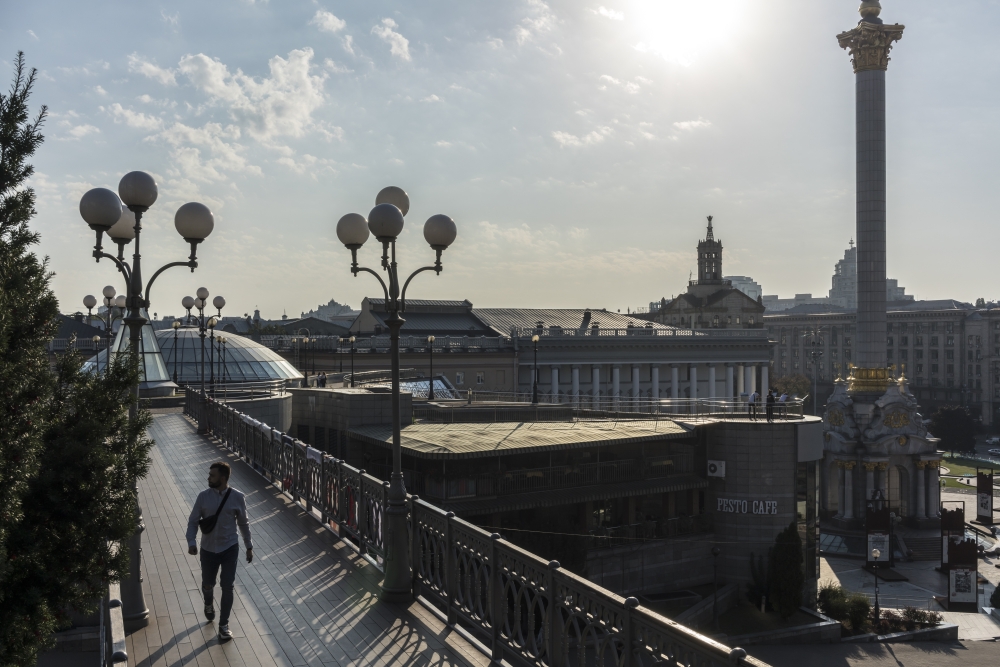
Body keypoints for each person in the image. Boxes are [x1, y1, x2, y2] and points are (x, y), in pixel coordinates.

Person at [187, 461, 253, 641]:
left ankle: (224, 625)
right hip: (208, 549)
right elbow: (193, 521)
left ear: (222, 478)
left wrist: (249, 546)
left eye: (212, 475)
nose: (208, 478)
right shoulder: (203, 497)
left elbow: (243, 523)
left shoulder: (237, 497)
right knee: (208, 584)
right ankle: (208, 602)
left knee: (227, 586)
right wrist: (191, 542)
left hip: (230, 547)